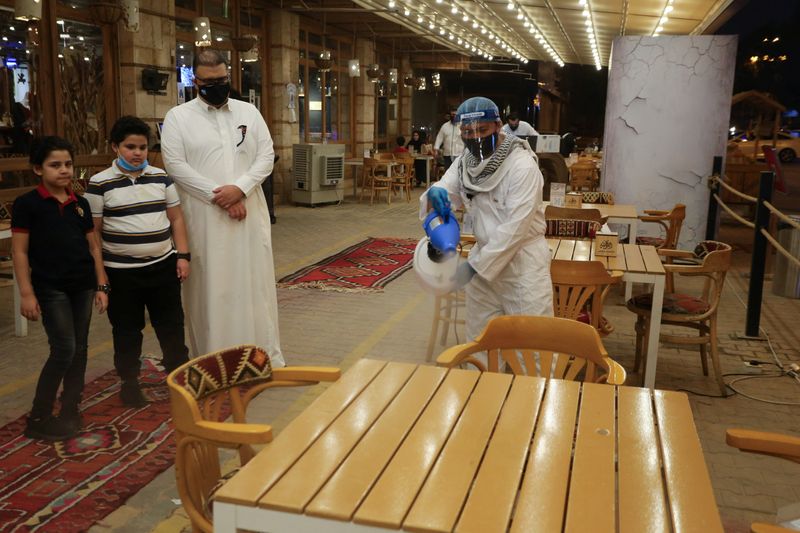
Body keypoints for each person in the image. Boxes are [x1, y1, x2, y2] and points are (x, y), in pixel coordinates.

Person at [161, 49, 284, 367]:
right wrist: (221, 196)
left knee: (252, 286)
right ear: (195, 80)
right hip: (205, 217)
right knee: (211, 291)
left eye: (223, 80)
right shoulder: (179, 117)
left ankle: (259, 357)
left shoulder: (249, 113)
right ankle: (215, 362)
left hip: (247, 214)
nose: (217, 85)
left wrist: (240, 189)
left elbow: (266, 157)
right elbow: (175, 165)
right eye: (210, 81)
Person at [420, 96, 552, 351]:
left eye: (482, 130)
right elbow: (445, 189)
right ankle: (481, 390)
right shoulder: (463, 164)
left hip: (522, 267)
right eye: (468, 132)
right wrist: (435, 193)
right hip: (482, 267)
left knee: (533, 350)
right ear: (460, 132)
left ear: (498, 126)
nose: (475, 137)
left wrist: (472, 268)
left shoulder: (521, 165)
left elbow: (515, 230)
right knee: (480, 346)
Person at [85, 116, 191, 406]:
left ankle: (178, 379)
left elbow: (176, 218)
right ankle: (129, 383)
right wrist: (101, 277)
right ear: (115, 147)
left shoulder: (161, 177)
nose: (137, 153)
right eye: (130, 147)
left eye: (142, 147)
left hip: (162, 267)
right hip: (121, 274)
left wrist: (182, 256)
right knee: (127, 331)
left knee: (172, 326)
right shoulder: (99, 184)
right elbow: (92, 232)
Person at [11, 137, 109, 440]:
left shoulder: (80, 204)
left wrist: (101, 284)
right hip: (51, 288)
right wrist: (27, 293)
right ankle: (39, 416)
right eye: (55, 165)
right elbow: (20, 252)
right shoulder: (28, 205)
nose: (64, 170)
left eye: (68, 164)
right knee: (64, 349)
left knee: (80, 350)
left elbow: (93, 247)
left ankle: (70, 408)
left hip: (82, 286)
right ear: (38, 169)